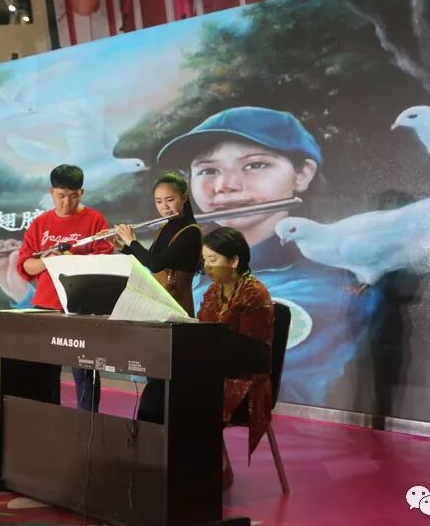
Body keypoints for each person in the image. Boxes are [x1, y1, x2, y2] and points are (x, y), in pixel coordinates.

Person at [157, 106, 381, 406]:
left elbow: (247, 391)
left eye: (255, 165)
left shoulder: (321, 290)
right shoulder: (199, 272)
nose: (225, 186)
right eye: (208, 171)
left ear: (303, 174)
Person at [0, 165, 114, 411]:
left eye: (73, 196)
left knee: (84, 370)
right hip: (46, 304)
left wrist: (71, 260)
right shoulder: (40, 223)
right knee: (45, 369)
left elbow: (105, 261)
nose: (66, 202)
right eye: (61, 196)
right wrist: (48, 261)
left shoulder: (95, 220)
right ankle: (48, 417)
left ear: (82, 193)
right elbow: (25, 266)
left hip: (81, 307)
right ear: (51, 192)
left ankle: (87, 421)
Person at [111, 172, 202, 423]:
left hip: (175, 306)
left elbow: (156, 264)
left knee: (166, 373)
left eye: (170, 200)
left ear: (184, 198)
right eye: (159, 202)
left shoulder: (190, 231)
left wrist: (132, 240)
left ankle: (164, 425)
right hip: (158, 305)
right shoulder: (166, 227)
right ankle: (153, 426)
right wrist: (123, 246)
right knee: (154, 370)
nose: (164, 207)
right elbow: (149, 260)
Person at [198, 227, 274, 490]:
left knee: (191, 398)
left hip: (245, 379)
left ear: (234, 261)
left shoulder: (254, 294)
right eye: (204, 260)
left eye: (213, 260)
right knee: (159, 395)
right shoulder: (213, 291)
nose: (207, 267)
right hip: (214, 371)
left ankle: (215, 472)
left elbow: (250, 353)